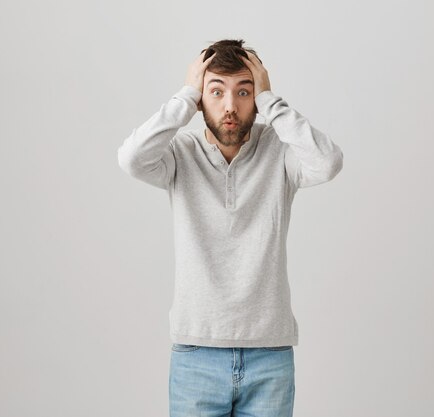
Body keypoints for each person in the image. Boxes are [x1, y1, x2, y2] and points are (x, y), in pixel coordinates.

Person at [117, 39, 343, 417]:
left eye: (244, 91)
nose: (230, 106)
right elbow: (131, 158)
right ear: (201, 97)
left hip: (269, 355)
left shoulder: (280, 152)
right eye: (216, 91)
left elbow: (328, 162)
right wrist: (185, 97)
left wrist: (271, 101)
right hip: (196, 354)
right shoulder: (179, 155)